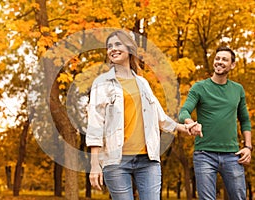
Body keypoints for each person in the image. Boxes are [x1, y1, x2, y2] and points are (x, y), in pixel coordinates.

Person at [86, 30, 202, 200]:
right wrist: (94, 164)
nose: (113, 49)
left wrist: (184, 128)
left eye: (118, 44)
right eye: (109, 46)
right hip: (116, 161)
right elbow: (95, 124)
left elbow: (159, 117)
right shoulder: (101, 83)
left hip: (148, 160)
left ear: (130, 48)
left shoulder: (143, 83)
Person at [179, 46, 252, 199]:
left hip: (233, 154)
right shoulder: (199, 87)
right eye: (217, 58)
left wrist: (248, 147)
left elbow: (244, 120)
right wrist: (190, 122)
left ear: (232, 65)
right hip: (204, 154)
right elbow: (184, 111)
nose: (219, 62)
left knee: (239, 197)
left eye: (224, 59)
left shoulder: (237, 89)